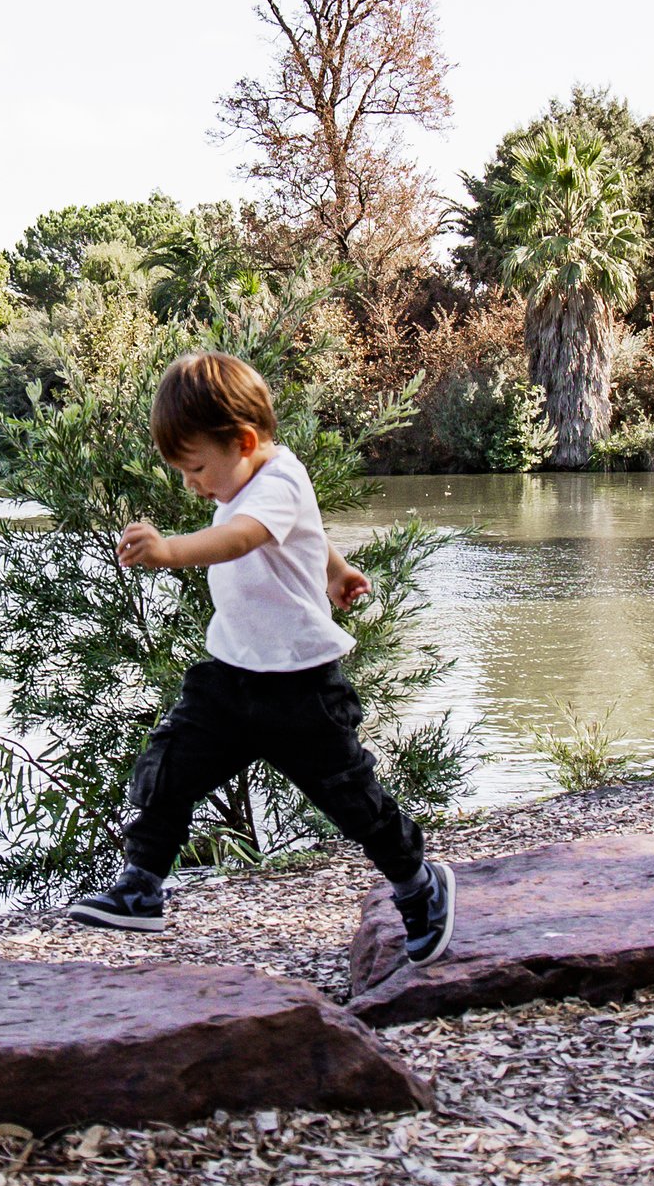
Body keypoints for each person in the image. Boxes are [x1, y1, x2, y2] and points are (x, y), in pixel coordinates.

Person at [69, 348, 456, 959]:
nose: (191, 484)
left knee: (351, 799)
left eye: (195, 468)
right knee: (167, 766)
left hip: (301, 687)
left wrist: (170, 551)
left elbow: (245, 536)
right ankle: (141, 886)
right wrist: (335, 568)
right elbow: (304, 531)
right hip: (230, 678)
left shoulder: (276, 479)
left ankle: (419, 884)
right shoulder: (250, 478)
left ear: (244, 440)